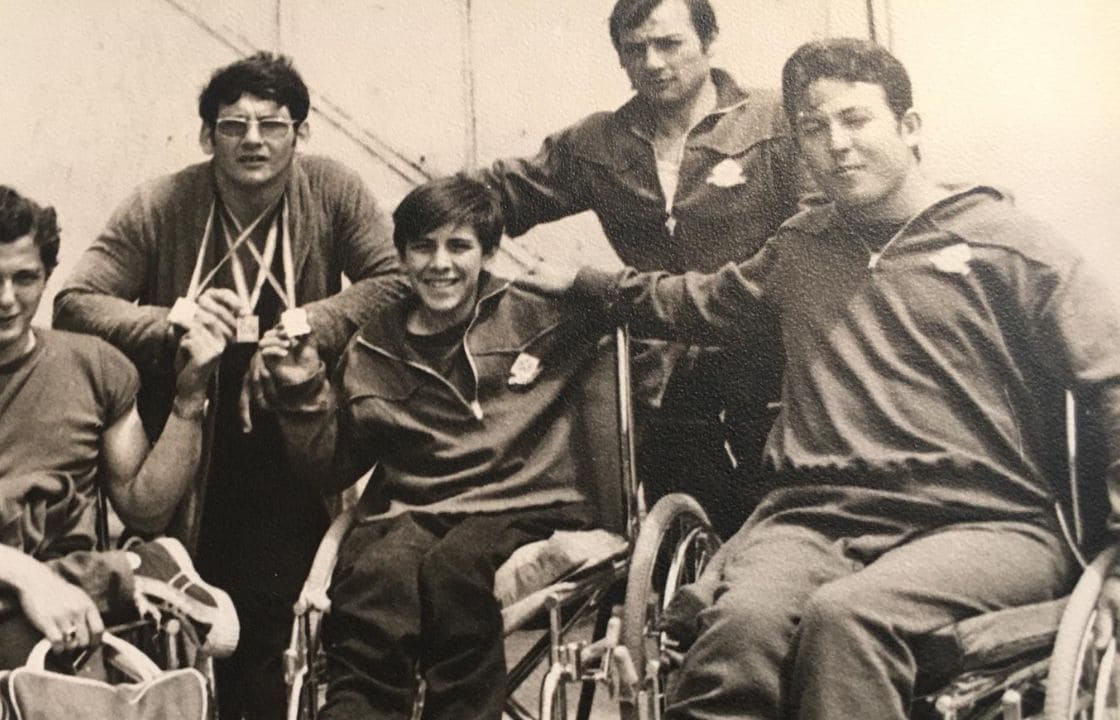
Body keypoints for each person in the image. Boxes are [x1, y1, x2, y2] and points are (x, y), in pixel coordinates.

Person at [513, 38, 1120, 718]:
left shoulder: (1008, 246)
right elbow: (701, 300)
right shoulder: (801, 246)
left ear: (909, 127)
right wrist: (591, 283)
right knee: (739, 632)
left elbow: (1114, 379)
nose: (837, 144)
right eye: (814, 127)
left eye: (856, 119)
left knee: (848, 621)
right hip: (813, 518)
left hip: (981, 520)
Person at [52, 52, 407, 718]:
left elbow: (393, 280)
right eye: (232, 124)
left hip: (293, 418)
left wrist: (312, 320)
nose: (252, 140)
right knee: (190, 601)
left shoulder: (332, 189)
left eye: (272, 125)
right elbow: (75, 300)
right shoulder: (163, 201)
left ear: (300, 133)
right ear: (206, 134)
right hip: (190, 423)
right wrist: (174, 320)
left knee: (275, 608)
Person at [0, 186, 238, 718]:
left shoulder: (95, 366)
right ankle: (124, 575)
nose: (8, 298)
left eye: (25, 278)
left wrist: (191, 396)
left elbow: (145, 507)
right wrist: (33, 583)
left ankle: (100, 594)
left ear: (46, 275)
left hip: (46, 560)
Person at [260, 175, 601, 720]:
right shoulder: (372, 346)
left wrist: (589, 282)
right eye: (422, 247)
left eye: (459, 246)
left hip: (525, 502)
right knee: (373, 579)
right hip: (417, 512)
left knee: (455, 572)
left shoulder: (536, 310)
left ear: (488, 253)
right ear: (400, 256)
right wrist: (301, 386)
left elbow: (636, 324)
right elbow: (334, 468)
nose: (439, 263)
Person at [482, 0, 810, 534]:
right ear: (620, 58)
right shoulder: (598, 143)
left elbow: (797, 264)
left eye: (670, 44)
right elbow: (495, 195)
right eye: (635, 49)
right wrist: (418, 243)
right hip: (666, 391)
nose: (653, 63)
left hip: (776, 379)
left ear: (708, 41)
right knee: (683, 541)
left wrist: (597, 285)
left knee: (777, 538)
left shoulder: (776, 123)